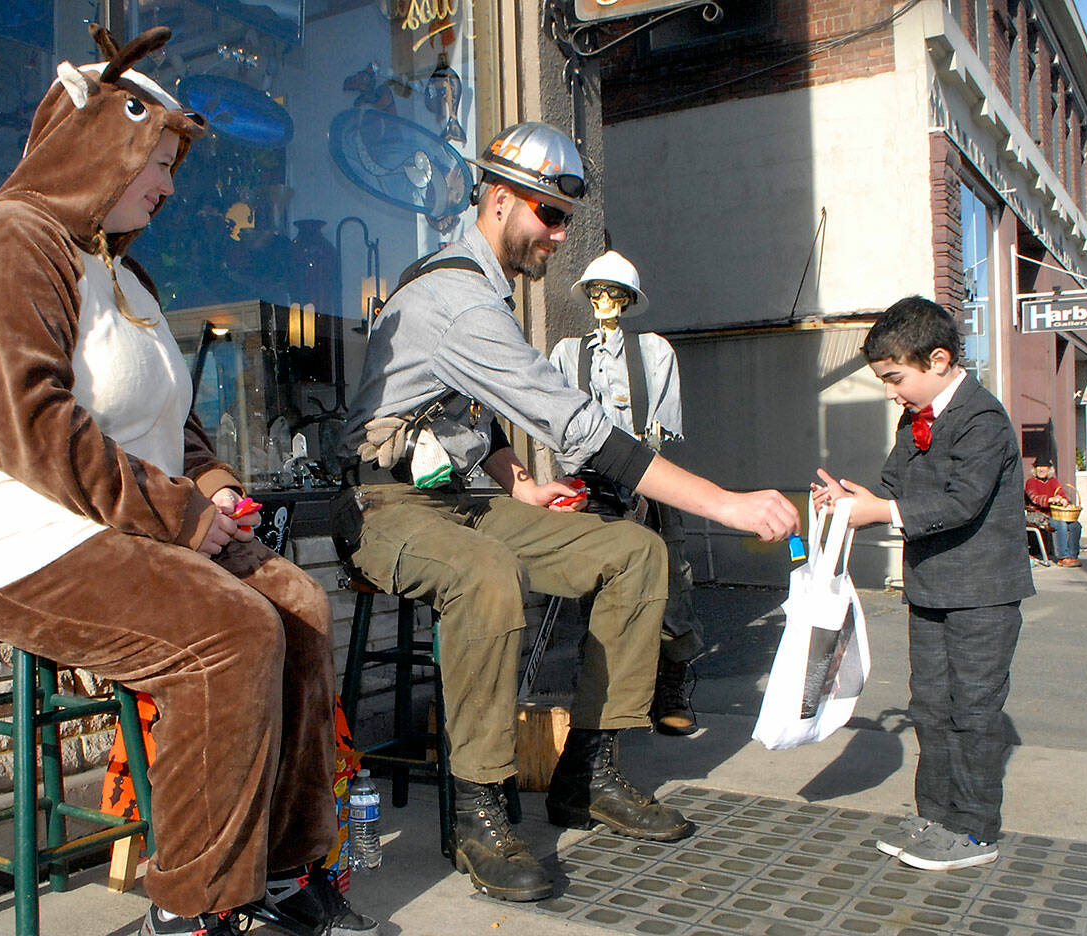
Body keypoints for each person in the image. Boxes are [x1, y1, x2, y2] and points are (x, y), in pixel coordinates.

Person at [0, 26, 374, 936]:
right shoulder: (10, 240)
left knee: (301, 610)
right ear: (97, 149)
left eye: (169, 165)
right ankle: (195, 908)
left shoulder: (123, 270)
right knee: (230, 633)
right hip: (8, 532)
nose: (167, 184)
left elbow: (178, 424)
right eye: (155, 162)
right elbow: (23, 425)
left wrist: (213, 485)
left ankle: (279, 871)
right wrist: (175, 516)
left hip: (120, 523)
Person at [333, 120, 799, 902]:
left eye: (566, 221)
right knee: (485, 575)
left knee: (634, 552)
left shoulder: (477, 289)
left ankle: (589, 769)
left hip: (457, 496)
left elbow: (464, 412)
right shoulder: (457, 299)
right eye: (549, 217)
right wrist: (727, 505)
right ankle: (479, 813)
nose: (559, 238)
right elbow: (579, 429)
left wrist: (515, 480)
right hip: (383, 506)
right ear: (501, 201)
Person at [813, 296, 1034, 872]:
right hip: (932, 587)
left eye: (895, 378)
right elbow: (895, 483)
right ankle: (936, 817)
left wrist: (880, 513)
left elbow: (961, 501)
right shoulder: (918, 420)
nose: (891, 392)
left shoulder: (982, 419)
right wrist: (850, 500)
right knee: (931, 707)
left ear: (938, 360)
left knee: (973, 712)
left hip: (982, 593)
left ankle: (975, 831)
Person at [548, 250, 703, 736]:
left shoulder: (654, 352)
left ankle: (671, 679)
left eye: (614, 293)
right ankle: (600, 687)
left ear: (629, 300)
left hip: (647, 477)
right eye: (596, 292)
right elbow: (555, 423)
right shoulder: (565, 354)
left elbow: (664, 426)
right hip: (590, 483)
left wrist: (644, 468)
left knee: (671, 578)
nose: (604, 302)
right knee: (594, 588)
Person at [1025, 455, 1082, 566]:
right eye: (1038, 467)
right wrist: (1050, 499)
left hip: (1054, 514)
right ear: (1035, 469)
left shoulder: (1053, 481)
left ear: (1049, 469)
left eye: (1044, 467)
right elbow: (1035, 498)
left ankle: (1073, 555)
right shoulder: (1031, 482)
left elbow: (1061, 494)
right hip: (1038, 514)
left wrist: (1063, 500)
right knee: (1061, 525)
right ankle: (1063, 557)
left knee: (1076, 525)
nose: (1041, 469)